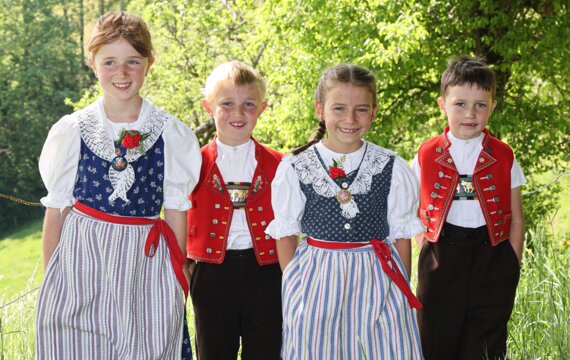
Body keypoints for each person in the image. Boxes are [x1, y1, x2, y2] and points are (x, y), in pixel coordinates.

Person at [35, 11, 200, 359]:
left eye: (132, 61)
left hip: (145, 263)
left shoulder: (169, 133)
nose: (121, 73)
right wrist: (53, 277)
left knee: (148, 343)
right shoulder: (73, 130)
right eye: (109, 61)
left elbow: (175, 208)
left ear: (149, 63)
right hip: (83, 263)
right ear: (93, 63)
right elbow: (57, 208)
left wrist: (176, 274)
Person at [265, 64, 424, 359]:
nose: (350, 119)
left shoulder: (390, 165)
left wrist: (398, 288)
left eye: (361, 110)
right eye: (339, 108)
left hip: (377, 278)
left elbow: (401, 234)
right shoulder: (296, 166)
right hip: (317, 280)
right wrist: (295, 285)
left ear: (374, 112)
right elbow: (286, 233)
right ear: (319, 109)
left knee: (382, 349)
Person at [412, 56, 526, 360]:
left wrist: (510, 263)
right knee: (436, 343)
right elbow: (413, 211)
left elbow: (516, 216)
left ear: (493, 107)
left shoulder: (504, 155)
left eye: (480, 105)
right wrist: (426, 250)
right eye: (460, 104)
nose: (470, 113)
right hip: (441, 258)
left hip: (492, 256)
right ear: (442, 104)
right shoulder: (425, 154)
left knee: (485, 347)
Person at [186, 61, 283, 359]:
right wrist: (186, 268)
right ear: (208, 106)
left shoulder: (280, 163)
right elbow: (180, 216)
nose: (238, 113)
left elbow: (289, 223)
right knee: (213, 351)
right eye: (227, 104)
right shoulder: (192, 162)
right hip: (211, 271)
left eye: (248, 104)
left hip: (265, 270)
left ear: (262, 108)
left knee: (266, 350)